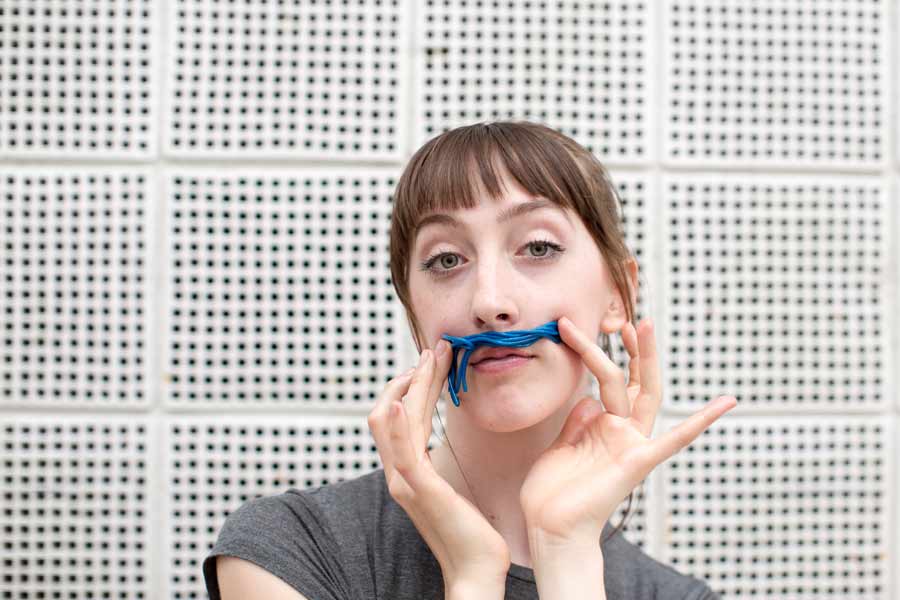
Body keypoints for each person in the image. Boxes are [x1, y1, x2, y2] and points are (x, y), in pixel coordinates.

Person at [202, 120, 737, 599]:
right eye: (446, 260)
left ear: (618, 294)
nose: (490, 302)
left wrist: (567, 554)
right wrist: (472, 577)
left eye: (538, 247)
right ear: (414, 312)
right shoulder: (291, 552)